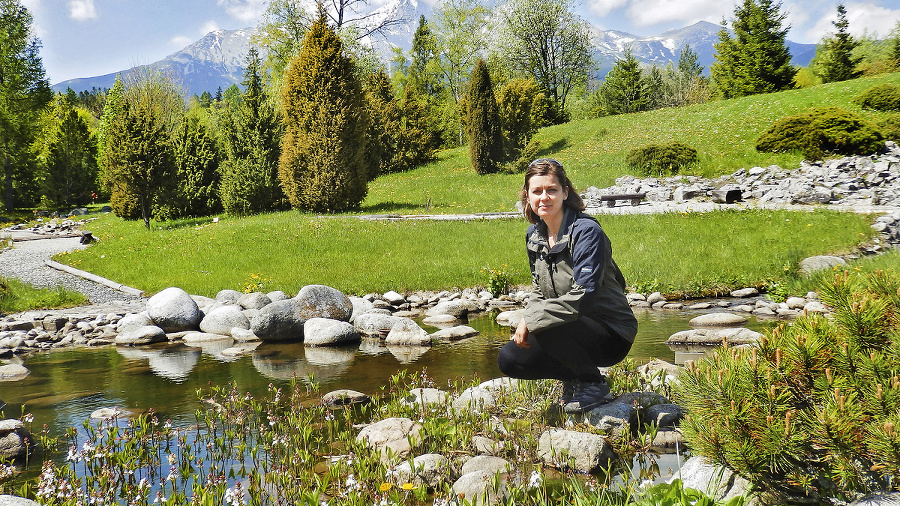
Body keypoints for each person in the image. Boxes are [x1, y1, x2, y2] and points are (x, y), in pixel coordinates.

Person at [497, 158, 637, 414]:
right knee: (510, 359)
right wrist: (529, 317)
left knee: (546, 324)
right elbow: (539, 289)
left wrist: (532, 319)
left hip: (611, 332)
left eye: (551, 190)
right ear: (527, 196)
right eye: (537, 191)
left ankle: (594, 384)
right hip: (569, 327)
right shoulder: (534, 235)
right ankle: (576, 377)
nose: (544, 197)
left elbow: (585, 296)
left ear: (565, 192)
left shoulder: (586, 231)